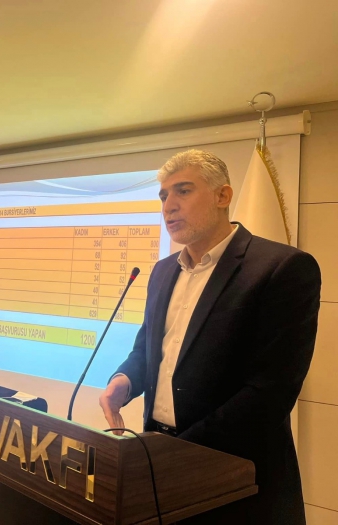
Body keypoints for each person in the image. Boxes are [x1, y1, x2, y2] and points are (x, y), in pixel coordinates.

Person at [99, 149, 321, 524]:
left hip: (236, 477)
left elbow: (271, 391)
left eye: (183, 191)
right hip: (158, 464)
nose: (169, 206)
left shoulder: (281, 268)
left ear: (223, 196)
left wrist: (176, 452)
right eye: (163, 195)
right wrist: (125, 380)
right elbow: (149, 348)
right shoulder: (162, 271)